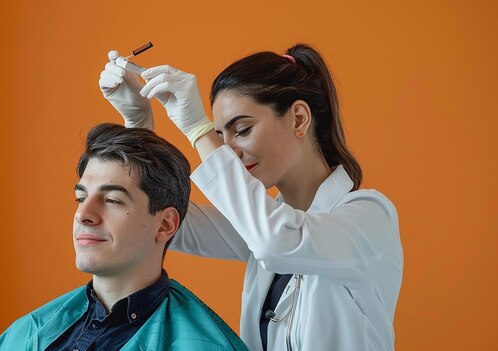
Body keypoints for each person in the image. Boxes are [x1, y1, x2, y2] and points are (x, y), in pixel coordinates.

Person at [99, 44, 403, 350]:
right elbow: (162, 220)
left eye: (242, 130)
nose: (229, 151)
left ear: (298, 118)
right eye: (219, 137)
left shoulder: (370, 217)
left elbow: (275, 240)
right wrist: (139, 128)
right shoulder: (260, 221)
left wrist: (197, 129)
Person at [0, 123, 248, 351]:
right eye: (81, 198)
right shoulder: (29, 331)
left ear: (165, 224)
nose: (83, 215)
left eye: (112, 200)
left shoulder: (205, 343)